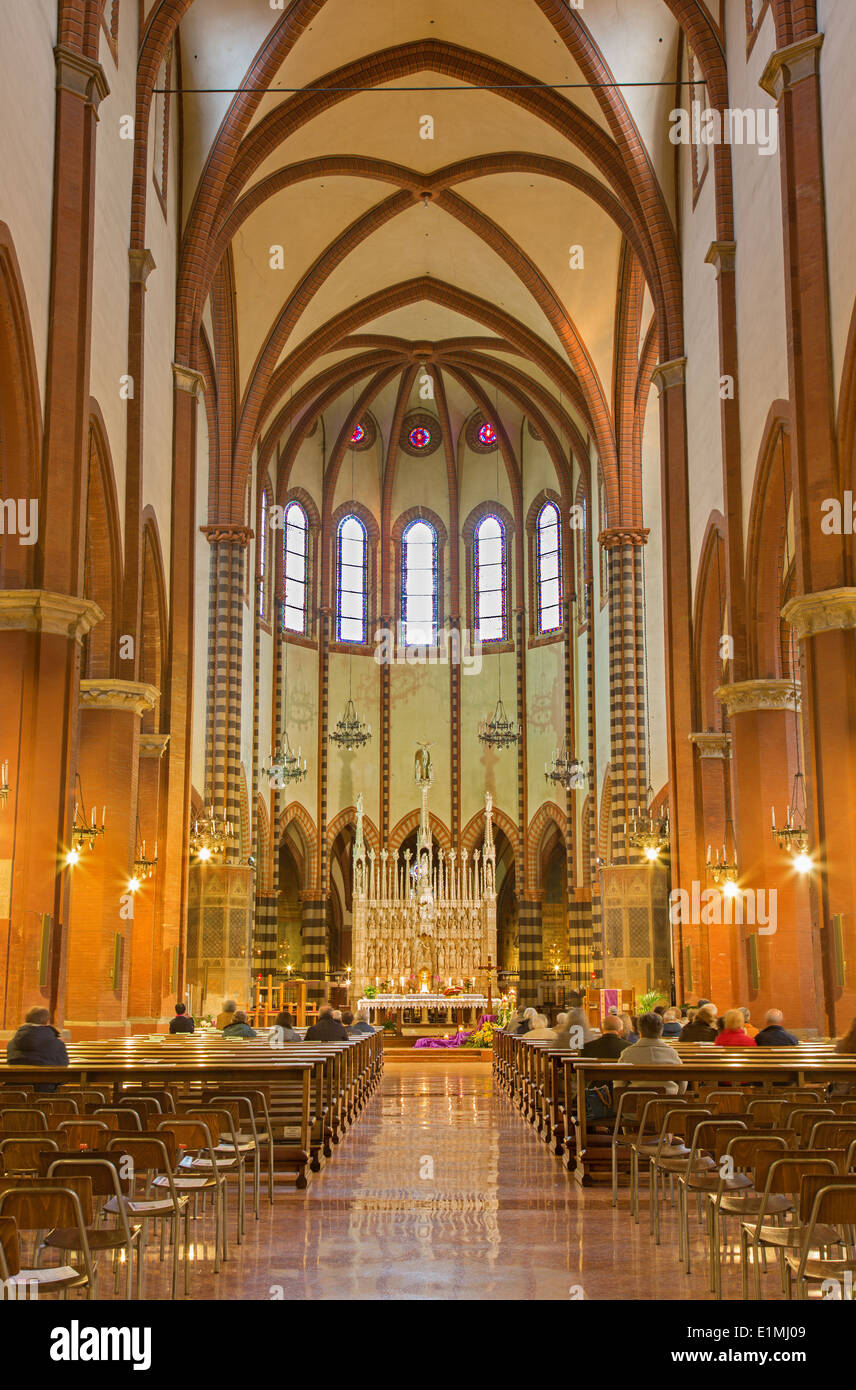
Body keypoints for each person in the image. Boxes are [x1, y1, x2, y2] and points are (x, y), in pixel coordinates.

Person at [617, 1011, 685, 1093]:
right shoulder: (671, 1053)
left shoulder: (628, 1053)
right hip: (667, 1098)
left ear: (639, 1031)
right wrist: (678, 1096)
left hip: (636, 1098)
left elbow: (619, 1083)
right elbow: (682, 1080)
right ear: (661, 1030)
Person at [6, 1007, 69, 1092]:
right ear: (47, 1022)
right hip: (47, 1094)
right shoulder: (58, 1044)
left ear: (26, 1020)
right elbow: (63, 1073)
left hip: (16, 1093)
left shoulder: (12, 1043)